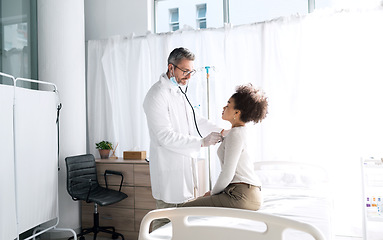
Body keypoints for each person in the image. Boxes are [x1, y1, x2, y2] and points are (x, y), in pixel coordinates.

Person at [143, 47, 224, 230]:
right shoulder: (156, 95)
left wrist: (222, 130)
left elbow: (196, 120)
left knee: (181, 225)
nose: (189, 76)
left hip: (184, 170)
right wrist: (202, 142)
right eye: (185, 71)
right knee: (165, 224)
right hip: (168, 173)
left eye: (191, 72)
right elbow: (164, 136)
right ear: (171, 68)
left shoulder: (178, 91)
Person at [181, 83, 268, 211]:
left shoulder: (236, 134)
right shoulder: (239, 132)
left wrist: (212, 193)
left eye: (228, 105)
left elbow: (228, 173)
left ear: (237, 112)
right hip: (245, 193)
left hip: (241, 195)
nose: (224, 107)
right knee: (191, 205)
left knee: (183, 208)